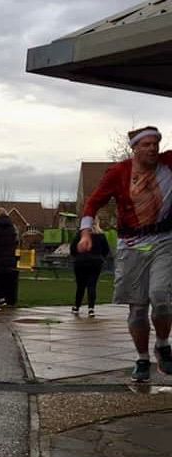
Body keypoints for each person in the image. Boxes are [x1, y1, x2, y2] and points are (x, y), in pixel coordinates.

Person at [77, 125, 172, 383]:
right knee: (138, 309)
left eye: (156, 144)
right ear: (135, 148)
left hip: (164, 240)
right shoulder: (119, 173)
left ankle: (163, 345)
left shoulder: (169, 164)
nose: (153, 148)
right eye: (146, 145)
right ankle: (142, 358)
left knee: (161, 296)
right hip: (132, 244)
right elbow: (93, 202)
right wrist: (86, 233)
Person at [70, 219, 110, 318]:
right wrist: (100, 258)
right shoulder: (101, 236)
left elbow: (73, 248)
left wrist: (77, 256)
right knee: (92, 285)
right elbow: (106, 250)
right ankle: (91, 308)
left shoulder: (80, 235)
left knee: (80, 286)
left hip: (81, 262)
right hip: (95, 262)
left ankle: (76, 306)